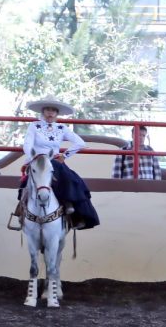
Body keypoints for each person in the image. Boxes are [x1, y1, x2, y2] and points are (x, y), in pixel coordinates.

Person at [9, 95, 100, 231]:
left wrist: (65, 155)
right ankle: (21, 211)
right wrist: (34, 157)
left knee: (74, 179)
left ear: (57, 113)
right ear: (43, 112)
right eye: (48, 110)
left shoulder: (61, 128)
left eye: (53, 110)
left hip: (54, 162)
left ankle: (72, 209)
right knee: (25, 183)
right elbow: (27, 145)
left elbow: (80, 143)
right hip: (36, 161)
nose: (50, 113)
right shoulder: (34, 126)